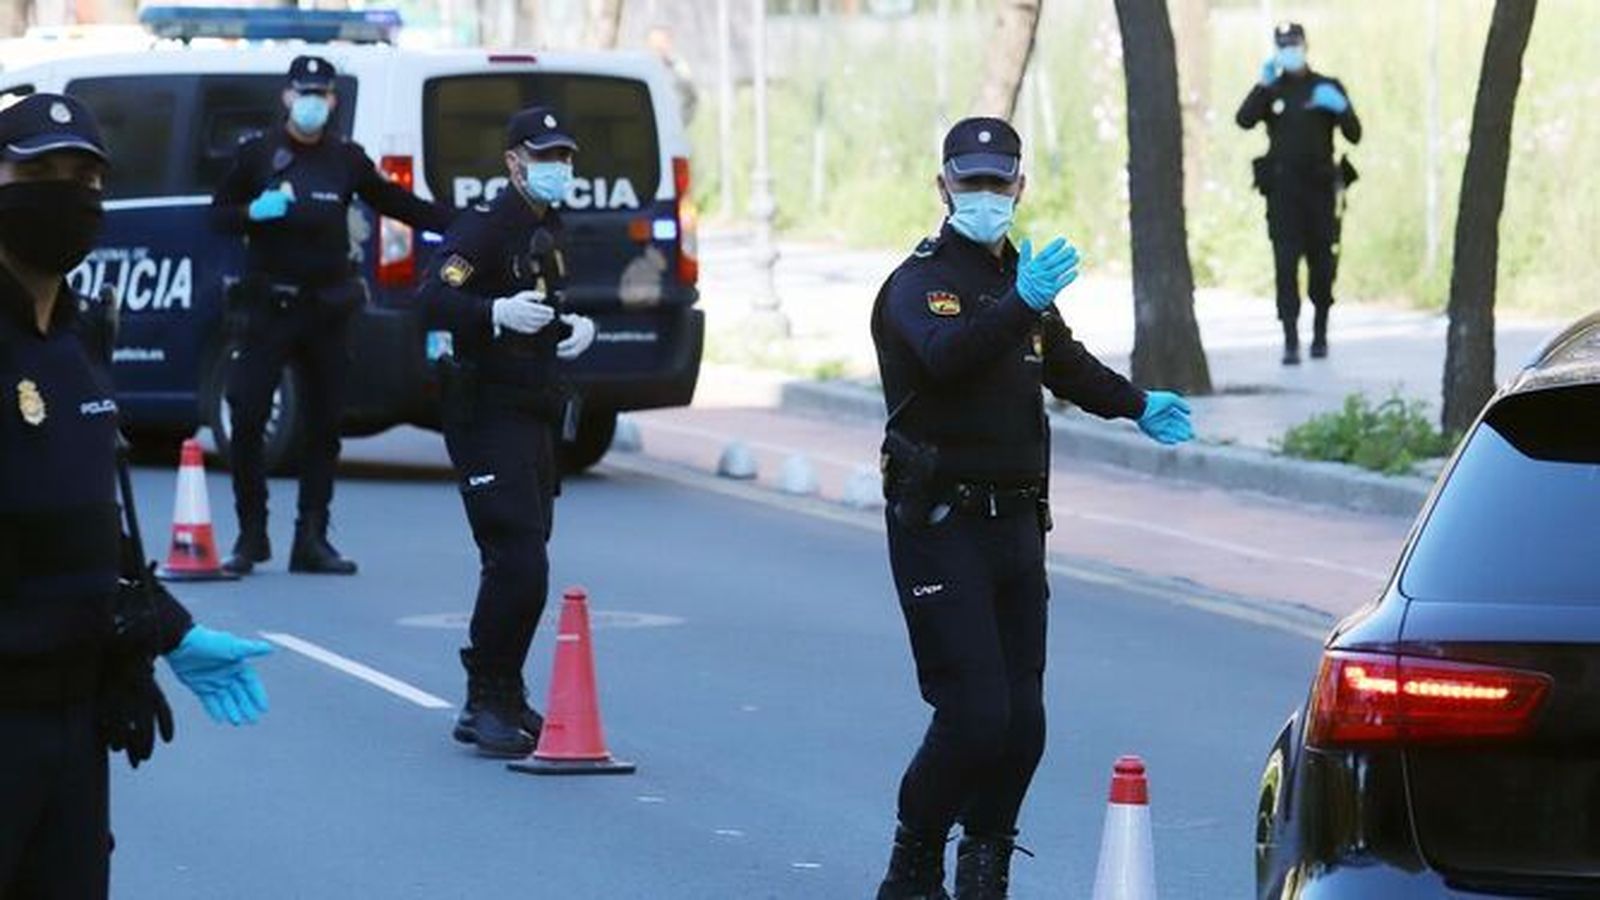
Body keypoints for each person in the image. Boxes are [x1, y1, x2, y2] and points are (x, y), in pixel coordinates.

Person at [870, 117, 1194, 900]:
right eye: (969, 181)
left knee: (1023, 721)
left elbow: (1064, 364)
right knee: (973, 713)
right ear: (941, 186)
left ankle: (985, 863)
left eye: (999, 181)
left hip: (1017, 525)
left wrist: (1137, 402)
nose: (986, 195)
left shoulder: (1017, 278)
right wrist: (1022, 301)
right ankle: (912, 867)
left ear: (1022, 185)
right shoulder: (920, 284)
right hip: (941, 524)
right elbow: (948, 360)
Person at [0, 92, 273, 899]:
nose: (66, 194)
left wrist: (157, 629)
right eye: (39, 172)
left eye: (84, 178)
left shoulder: (78, 339)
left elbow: (85, 522)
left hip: (72, 724)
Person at [211, 55, 453, 576]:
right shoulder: (258, 154)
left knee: (324, 426)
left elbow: (394, 200)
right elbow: (217, 215)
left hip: (327, 308)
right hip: (269, 306)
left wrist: (460, 224)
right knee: (248, 415)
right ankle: (251, 534)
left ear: (334, 101)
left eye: (322, 94)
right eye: (304, 93)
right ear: (286, 97)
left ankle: (312, 537)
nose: (313, 103)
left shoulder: (345, 159)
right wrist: (251, 212)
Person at [415, 106, 597, 758]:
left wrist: (570, 327)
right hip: (484, 412)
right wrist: (491, 311)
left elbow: (545, 302)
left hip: (533, 410)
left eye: (566, 157)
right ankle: (483, 696)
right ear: (514, 162)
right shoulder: (485, 229)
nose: (559, 168)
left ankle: (505, 690)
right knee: (516, 558)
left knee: (528, 557)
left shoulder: (551, 227)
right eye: (546, 157)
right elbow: (430, 298)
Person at [1236, 21, 1361, 365]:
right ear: (1277, 49)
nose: (1290, 49)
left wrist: (1342, 108)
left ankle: (1320, 335)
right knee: (1285, 265)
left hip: (1320, 193)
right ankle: (1290, 340)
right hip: (1284, 195)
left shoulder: (1327, 87)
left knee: (1323, 264)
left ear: (1306, 45)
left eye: (1294, 43)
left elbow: (1355, 134)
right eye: (1283, 44)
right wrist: (1261, 86)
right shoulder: (1272, 89)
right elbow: (1243, 120)